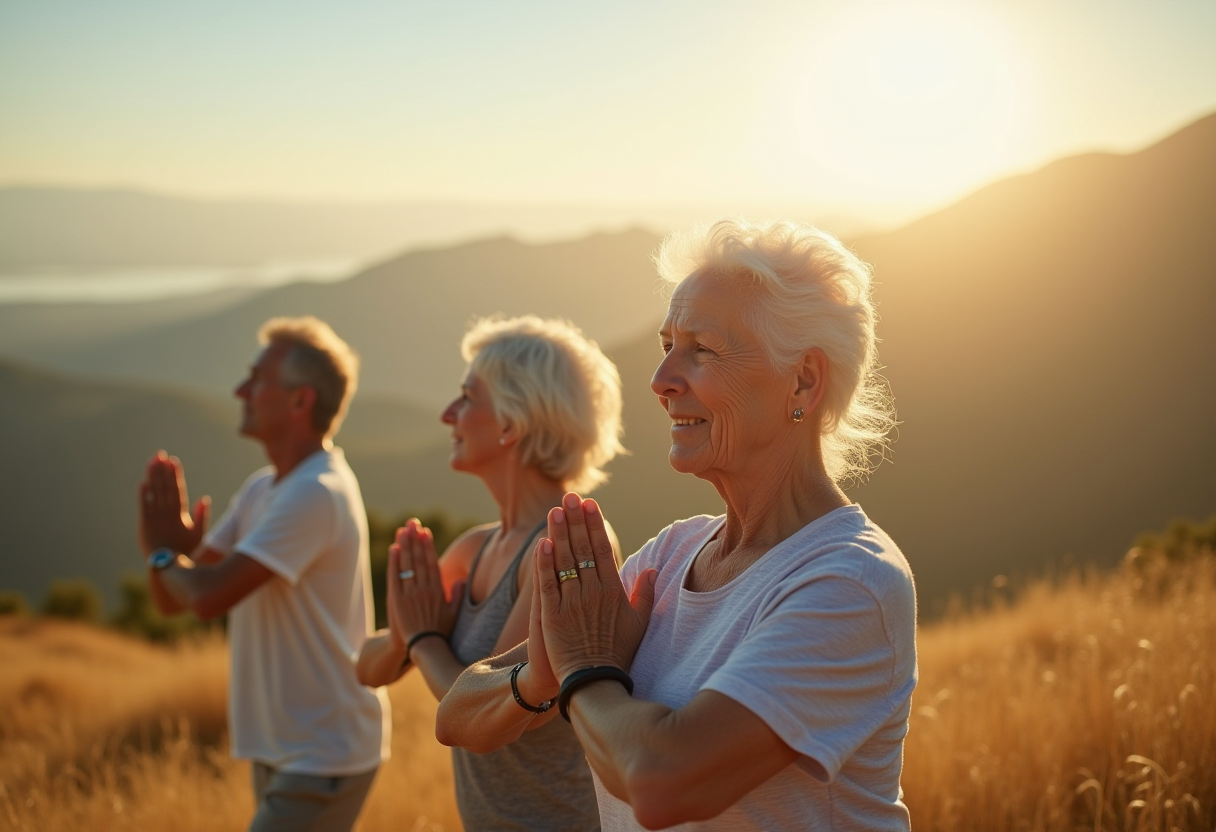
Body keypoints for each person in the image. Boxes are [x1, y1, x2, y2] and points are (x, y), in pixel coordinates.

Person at [436, 219, 916, 831]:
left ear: (803, 379)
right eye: (667, 346)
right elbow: (456, 716)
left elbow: (662, 783)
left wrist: (585, 669)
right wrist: (541, 673)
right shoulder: (672, 554)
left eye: (702, 349)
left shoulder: (851, 582)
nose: (662, 382)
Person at [355, 315, 624, 831]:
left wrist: (424, 641)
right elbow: (365, 669)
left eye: (466, 397)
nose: (447, 414)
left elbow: (492, 716)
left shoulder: (566, 546)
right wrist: (404, 637)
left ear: (510, 422)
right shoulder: (475, 548)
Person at [137, 316, 389, 832]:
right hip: (288, 745)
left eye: (256, 380)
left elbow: (204, 596)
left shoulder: (316, 492)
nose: (240, 391)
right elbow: (173, 602)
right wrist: (169, 559)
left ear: (300, 401)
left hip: (323, 751)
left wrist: (164, 555)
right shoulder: (263, 489)